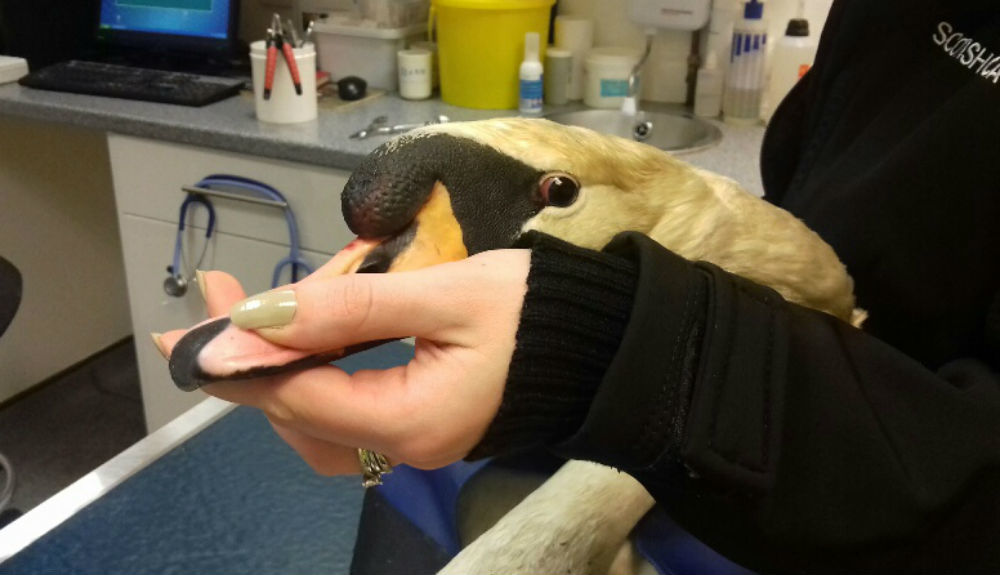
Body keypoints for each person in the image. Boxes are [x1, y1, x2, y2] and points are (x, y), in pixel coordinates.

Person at [159, 0, 1000, 571]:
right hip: (720, 399)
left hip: (898, 514)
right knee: (400, 469)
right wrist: (383, 444)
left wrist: (656, 364)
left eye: (557, 195)